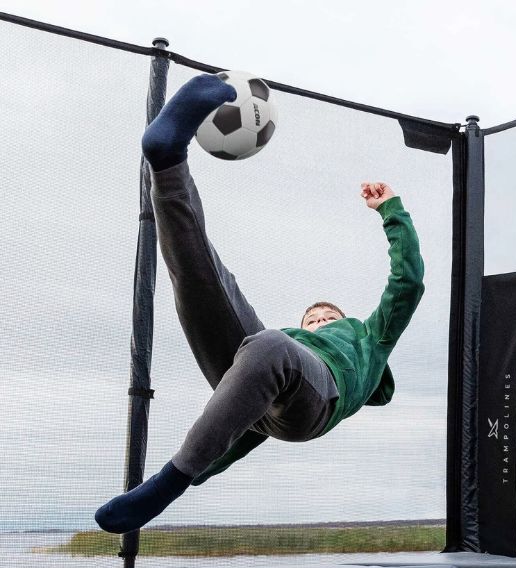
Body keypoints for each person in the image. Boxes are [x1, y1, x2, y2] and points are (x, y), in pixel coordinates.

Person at [95, 74, 425, 534]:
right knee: (204, 277)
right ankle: (167, 159)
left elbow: (407, 282)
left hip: (315, 403)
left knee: (271, 347)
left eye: (328, 318)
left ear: (346, 321)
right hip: (265, 370)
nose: (320, 321)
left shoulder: (371, 338)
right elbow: (240, 431)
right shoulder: (285, 343)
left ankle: (167, 482)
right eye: (312, 319)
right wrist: (207, 470)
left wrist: (392, 210)